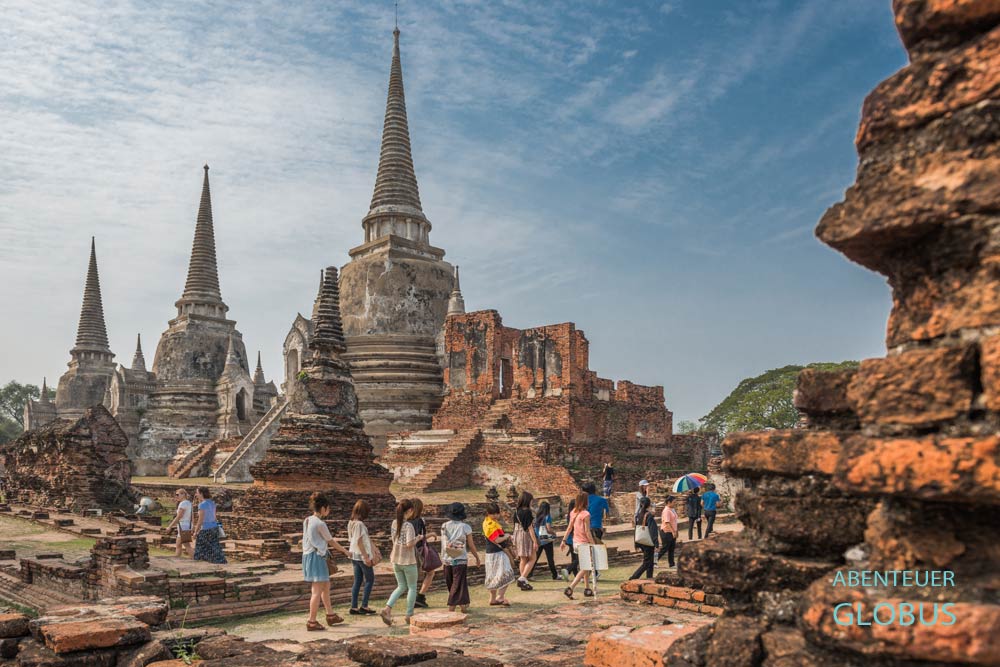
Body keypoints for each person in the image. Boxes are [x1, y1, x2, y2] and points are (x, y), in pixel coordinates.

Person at [302, 493, 351, 631]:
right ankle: (311, 621)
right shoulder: (320, 523)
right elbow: (331, 541)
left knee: (325, 586)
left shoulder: (307, 520)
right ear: (323, 508)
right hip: (317, 557)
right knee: (317, 590)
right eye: (328, 508)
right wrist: (345, 551)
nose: (328, 511)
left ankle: (330, 614)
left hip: (309, 556)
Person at [381, 499, 421, 626]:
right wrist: (418, 538)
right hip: (408, 561)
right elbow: (409, 544)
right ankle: (409, 614)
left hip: (396, 560)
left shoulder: (394, 523)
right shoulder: (408, 526)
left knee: (401, 586)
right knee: (412, 587)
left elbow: (395, 540)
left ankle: (387, 609)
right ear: (410, 510)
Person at [440, 502, 480, 613]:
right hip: (460, 559)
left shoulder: (444, 526)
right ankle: (452, 608)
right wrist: (476, 557)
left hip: (447, 559)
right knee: (458, 584)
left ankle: (462, 606)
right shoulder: (465, 527)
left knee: (453, 584)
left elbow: (444, 542)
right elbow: (471, 545)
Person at [562, 491, 596, 599]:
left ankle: (587, 588)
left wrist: (564, 540)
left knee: (584, 566)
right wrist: (593, 544)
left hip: (576, 542)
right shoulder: (586, 514)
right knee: (586, 566)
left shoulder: (573, 512)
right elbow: (587, 531)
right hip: (583, 542)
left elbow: (569, 528)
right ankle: (571, 587)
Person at [482, 503, 516, 606]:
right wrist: (507, 536)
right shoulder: (491, 525)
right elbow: (497, 539)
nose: (495, 516)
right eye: (493, 514)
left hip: (490, 553)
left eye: (497, 513)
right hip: (497, 553)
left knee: (493, 576)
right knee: (506, 573)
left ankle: (493, 599)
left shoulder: (487, 522)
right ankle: (500, 597)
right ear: (488, 513)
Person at [347, 499, 377, 616]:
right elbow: (359, 542)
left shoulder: (351, 523)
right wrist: (366, 557)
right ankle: (364, 605)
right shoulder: (359, 524)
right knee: (370, 579)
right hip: (361, 555)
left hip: (354, 555)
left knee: (358, 581)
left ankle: (354, 606)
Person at [409, 499, 438, 608]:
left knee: (412, 576)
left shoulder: (405, 522)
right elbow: (418, 537)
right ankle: (420, 596)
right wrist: (431, 534)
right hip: (418, 549)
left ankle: (416, 597)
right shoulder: (418, 521)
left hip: (408, 551)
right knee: (430, 573)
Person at [512, 491, 539, 590]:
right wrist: (535, 541)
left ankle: (523, 581)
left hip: (517, 534)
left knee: (523, 559)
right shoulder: (527, 512)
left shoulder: (516, 511)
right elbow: (530, 528)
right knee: (532, 558)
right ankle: (522, 578)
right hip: (525, 535)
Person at [192, 487, 226, 564]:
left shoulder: (202, 505)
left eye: (197, 493)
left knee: (201, 548)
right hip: (214, 527)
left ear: (201, 494)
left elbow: (200, 520)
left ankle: (202, 563)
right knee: (214, 547)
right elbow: (214, 517)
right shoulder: (212, 503)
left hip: (206, 529)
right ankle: (219, 561)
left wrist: (196, 532)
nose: (196, 495)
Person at [630, 496, 659, 580]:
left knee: (650, 561)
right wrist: (656, 543)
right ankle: (633, 578)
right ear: (649, 505)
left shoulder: (638, 515)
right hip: (648, 542)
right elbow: (652, 530)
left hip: (640, 540)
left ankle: (649, 578)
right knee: (647, 562)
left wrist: (636, 543)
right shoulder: (648, 515)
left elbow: (636, 529)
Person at [163, 488, 193, 558]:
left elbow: (179, 516)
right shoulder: (188, 503)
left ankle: (196, 559)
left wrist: (170, 526)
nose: (176, 496)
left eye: (177, 495)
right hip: (185, 525)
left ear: (183, 495)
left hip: (183, 526)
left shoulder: (183, 503)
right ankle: (177, 558)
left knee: (187, 545)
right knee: (178, 545)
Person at [533, 501, 559, 580]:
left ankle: (529, 573)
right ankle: (554, 575)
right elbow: (548, 529)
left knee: (535, 558)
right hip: (547, 540)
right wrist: (554, 533)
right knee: (550, 558)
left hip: (539, 539)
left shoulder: (537, 517)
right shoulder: (547, 516)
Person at [559, 498, 579, 582]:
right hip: (574, 538)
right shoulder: (575, 515)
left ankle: (576, 575)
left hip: (570, 539)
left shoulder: (569, 515)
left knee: (574, 558)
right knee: (579, 558)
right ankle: (568, 570)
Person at [656, 495, 678, 568]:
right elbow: (667, 522)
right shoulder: (666, 511)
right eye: (674, 502)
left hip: (672, 531)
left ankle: (671, 564)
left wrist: (676, 531)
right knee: (665, 548)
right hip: (666, 531)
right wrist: (673, 531)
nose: (675, 503)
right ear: (669, 502)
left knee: (671, 548)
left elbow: (675, 521)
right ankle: (654, 561)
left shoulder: (672, 510)